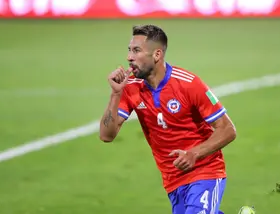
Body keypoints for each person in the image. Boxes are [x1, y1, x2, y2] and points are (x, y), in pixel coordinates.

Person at [99, 24, 237, 214]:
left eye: (136, 50)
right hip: (173, 180)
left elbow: (228, 129)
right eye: (129, 50)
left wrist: (194, 154)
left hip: (205, 172)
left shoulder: (188, 84)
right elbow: (106, 135)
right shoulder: (130, 87)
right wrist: (115, 94)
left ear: (157, 55)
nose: (129, 57)